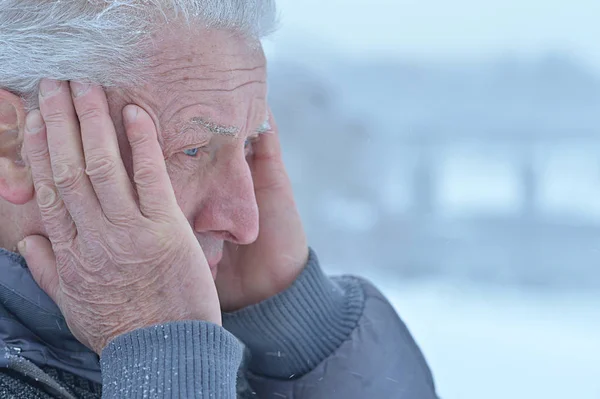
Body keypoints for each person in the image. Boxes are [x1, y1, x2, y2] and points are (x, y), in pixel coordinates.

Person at [0, 1, 437, 398]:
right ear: (12, 145)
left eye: (248, 144)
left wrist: (301, 335)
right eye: (191, 149)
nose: (246, 223)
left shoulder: (221, 338)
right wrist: (166, 357)